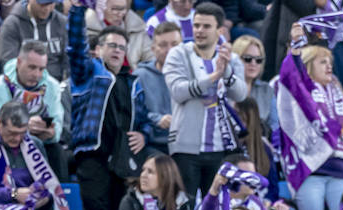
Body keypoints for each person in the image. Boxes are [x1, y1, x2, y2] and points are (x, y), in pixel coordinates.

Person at [67, 8, 150, 210]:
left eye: (122, 47)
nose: (117, 51)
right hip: (93, 156)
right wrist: (78, 12)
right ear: (99, 49)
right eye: (112, 45)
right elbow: (76, 48)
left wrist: (144, 135)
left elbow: (144, 119)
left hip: (123, 161)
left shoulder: (133, 83)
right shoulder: (89, 74)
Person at [275, 43, 343, 210]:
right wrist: (295, 50)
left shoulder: (337, 90)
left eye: (330, 62)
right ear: (308, 66)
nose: (329, 66)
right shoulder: (299, 92)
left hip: (340, 171)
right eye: (322, 62)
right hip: (310, 171)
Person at [164, 2, 248, 198]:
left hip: (221, 147)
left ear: (220, 30)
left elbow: (241, 94)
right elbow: (178, 91)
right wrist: (212, 77)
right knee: (186, 209)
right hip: (185, 146)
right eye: (196, 25)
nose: (199, 31)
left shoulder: (231, 58)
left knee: (216, 209)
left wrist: (225, 72)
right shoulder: (178, 54)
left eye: (206, 26)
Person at [0, 41, 65, 174]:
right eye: (31, 67)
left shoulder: (52, 86)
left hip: (40, 143)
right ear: (19, 62)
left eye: (41, 69)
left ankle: (59, 194)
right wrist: (25, 129)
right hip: (3, 143)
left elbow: (58, 127)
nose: (37, 74)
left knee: (56, 150)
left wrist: (51, 133)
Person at [0, 0, 68, 83]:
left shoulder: (62, 22)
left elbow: (70, 61)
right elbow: (9, 65)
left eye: (51, 4)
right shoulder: (12, 25)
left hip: (57, 84)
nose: (47, 9)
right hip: (23, 85)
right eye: (43, 4)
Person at [136, 21, 180, 151]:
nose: (170, 50)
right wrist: (158, 119)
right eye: (163, 45)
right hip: (152, 143)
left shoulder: (192, 74)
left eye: (174, 44)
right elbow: (135, 113)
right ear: (153, 49)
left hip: (185, 144)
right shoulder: (140, 76)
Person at [88, 0, 150, 68]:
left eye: (123, 9)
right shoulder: (87, 28)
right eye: (115, 9)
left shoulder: (137, 27)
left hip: (133, 75)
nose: (120, 14)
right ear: (101, 7)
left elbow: (151, 58)